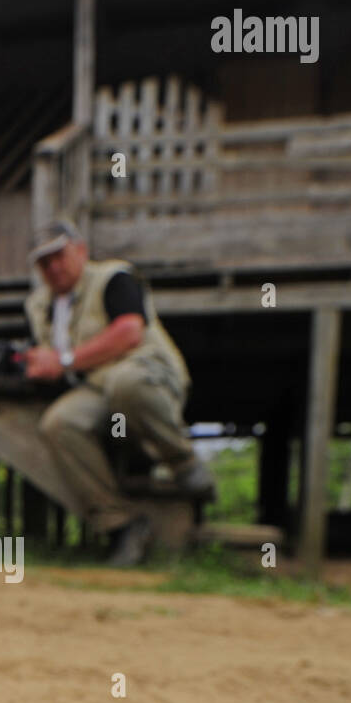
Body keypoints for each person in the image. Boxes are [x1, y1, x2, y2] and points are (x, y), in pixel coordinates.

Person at [24, 220, 214, 566]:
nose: (52, 267)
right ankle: (120, 525)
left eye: (58, 256)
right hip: (95, 387)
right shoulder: (40, 305)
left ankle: (181, 459)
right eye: (43, 262)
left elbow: (129, 333)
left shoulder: (115, 277)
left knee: (125, 385)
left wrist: (63, 360)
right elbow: (50, 358)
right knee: (58, 423)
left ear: (80, 250)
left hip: (146, 372)